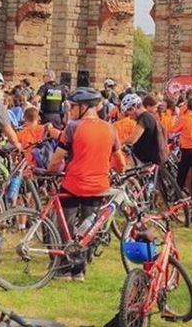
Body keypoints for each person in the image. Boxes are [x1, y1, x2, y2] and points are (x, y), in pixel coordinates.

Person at [47, 87, 124, 282]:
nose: (70, 110)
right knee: (88, 229)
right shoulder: (110, 128)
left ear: (83, 107)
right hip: (98, 186)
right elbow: (120, 163)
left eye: (73, 106)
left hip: (74, 183)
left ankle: (63, 269)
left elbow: (57, 159)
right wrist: (112, 170)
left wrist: (50, 171)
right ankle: (79, 270)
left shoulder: (73, 127)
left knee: (66, 227)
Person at [121, 93, 161, 166]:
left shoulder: (144, 119)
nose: (129, 117)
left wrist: (120, 142)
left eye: (128, 114)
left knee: (128, 174)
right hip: (149, 157)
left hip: (143, 160)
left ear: (133, 108)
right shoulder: (148, 116)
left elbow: (133, 139)